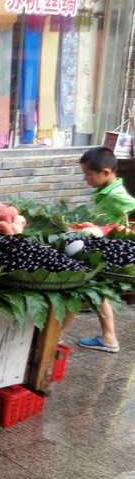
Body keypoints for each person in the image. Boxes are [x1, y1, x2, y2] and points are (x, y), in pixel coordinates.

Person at [66, 147, 135, 352]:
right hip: (100, 250)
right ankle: (108, 337)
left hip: (108, 253)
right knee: (95, 292)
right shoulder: (106, 191)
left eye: (89, 174)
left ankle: (54, 337)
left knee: (82, 290)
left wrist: (121, 229)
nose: (86, 179)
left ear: (105, 172)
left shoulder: (117, 195)